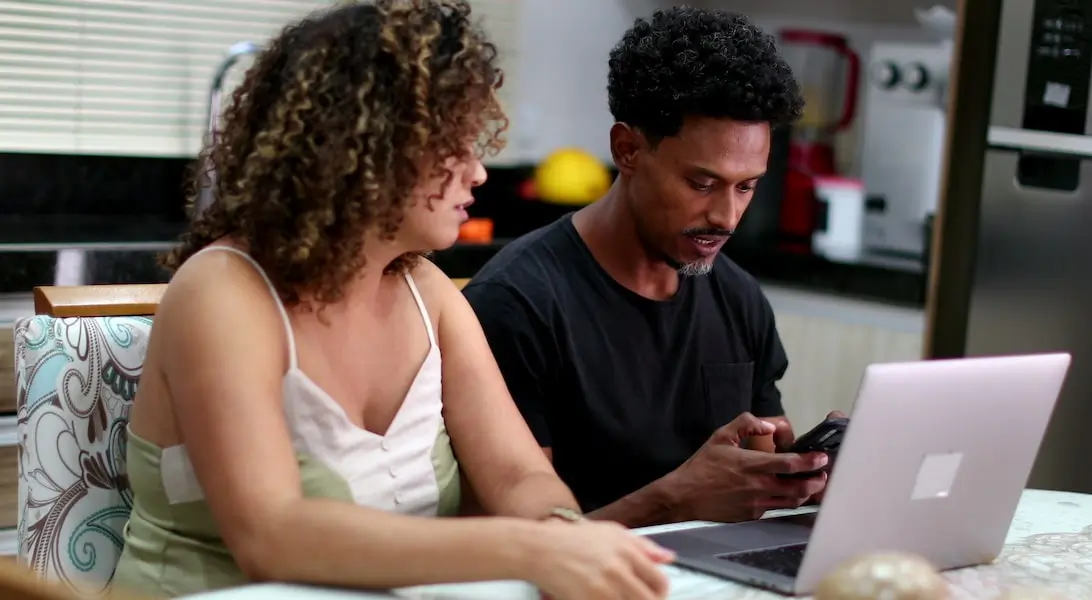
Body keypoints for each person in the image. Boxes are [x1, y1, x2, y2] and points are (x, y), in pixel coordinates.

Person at [112, 2, 672, 599]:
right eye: (454, 144)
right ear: (369, 150)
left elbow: (517, 473)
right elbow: (270, 535)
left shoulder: (427, 292)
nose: (479, 173)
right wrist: (531, 549)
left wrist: (564, 533)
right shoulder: (221, 293)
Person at [463, 6, 837, 528]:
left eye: (746, 186)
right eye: (701, 184)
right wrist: (672, 501)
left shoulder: (740, 300)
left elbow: (761, 451)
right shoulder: (516, 304)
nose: (726, 217)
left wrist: (803, 473)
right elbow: (509, 540)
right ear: (628, 150)